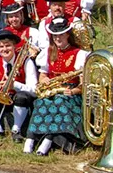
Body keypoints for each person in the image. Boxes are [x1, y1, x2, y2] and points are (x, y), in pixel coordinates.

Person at [25, 17, 88, 155]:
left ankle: (47, 141)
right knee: (42, 102)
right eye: (55, 35)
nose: (58, 38)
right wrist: (45, 79)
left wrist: (74, 91)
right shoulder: (48, 52)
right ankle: (30, 140)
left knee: (60, 102)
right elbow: (42, 75)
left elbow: (84, 84)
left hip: (71, 94)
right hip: (52, 90)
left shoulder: (79, 54)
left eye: (61, 35)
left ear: (67, 34)